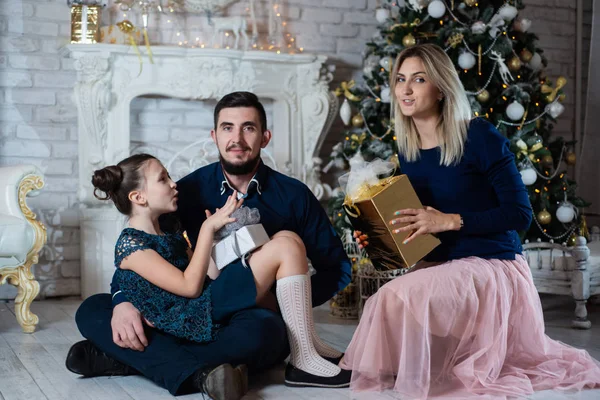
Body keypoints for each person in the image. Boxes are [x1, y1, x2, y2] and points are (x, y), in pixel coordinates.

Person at [341, 43, 600, 399]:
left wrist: (449, 221)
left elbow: (520, 215)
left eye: (419, 79)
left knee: (393, 299)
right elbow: (421, 229)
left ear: (441, 87)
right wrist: (380, 237)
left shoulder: (478, 136)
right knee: (384, 302)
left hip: (493, 265)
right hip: (445, 263)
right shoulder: (409, 149)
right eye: (400, 79)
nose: (406, 89)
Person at [66, 92, 352, 396]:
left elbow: (336, 269)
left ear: (265, 137)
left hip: (241, 312)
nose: (237, 138)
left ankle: (125, 358)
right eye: (228, 128)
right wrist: (123, 300)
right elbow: (139, 257)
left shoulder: (294, 195)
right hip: (185, 307)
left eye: (249, 128)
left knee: (270, 331)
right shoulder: (184, 193)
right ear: (214, 136)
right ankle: (204, 374)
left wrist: (286, 305)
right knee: (93, 308)